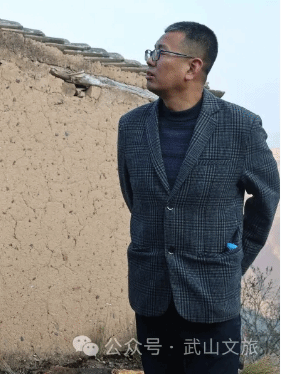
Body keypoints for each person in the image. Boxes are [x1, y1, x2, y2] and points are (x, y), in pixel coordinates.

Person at [117, 21, 279, 374]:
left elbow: (266, 200)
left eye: (160, 53)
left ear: (193, 67)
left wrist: (231, 259)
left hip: (212, 296)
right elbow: (136, 198)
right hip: (151, 291)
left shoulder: (240, 126)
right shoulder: (131, 126)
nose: (150, 60)